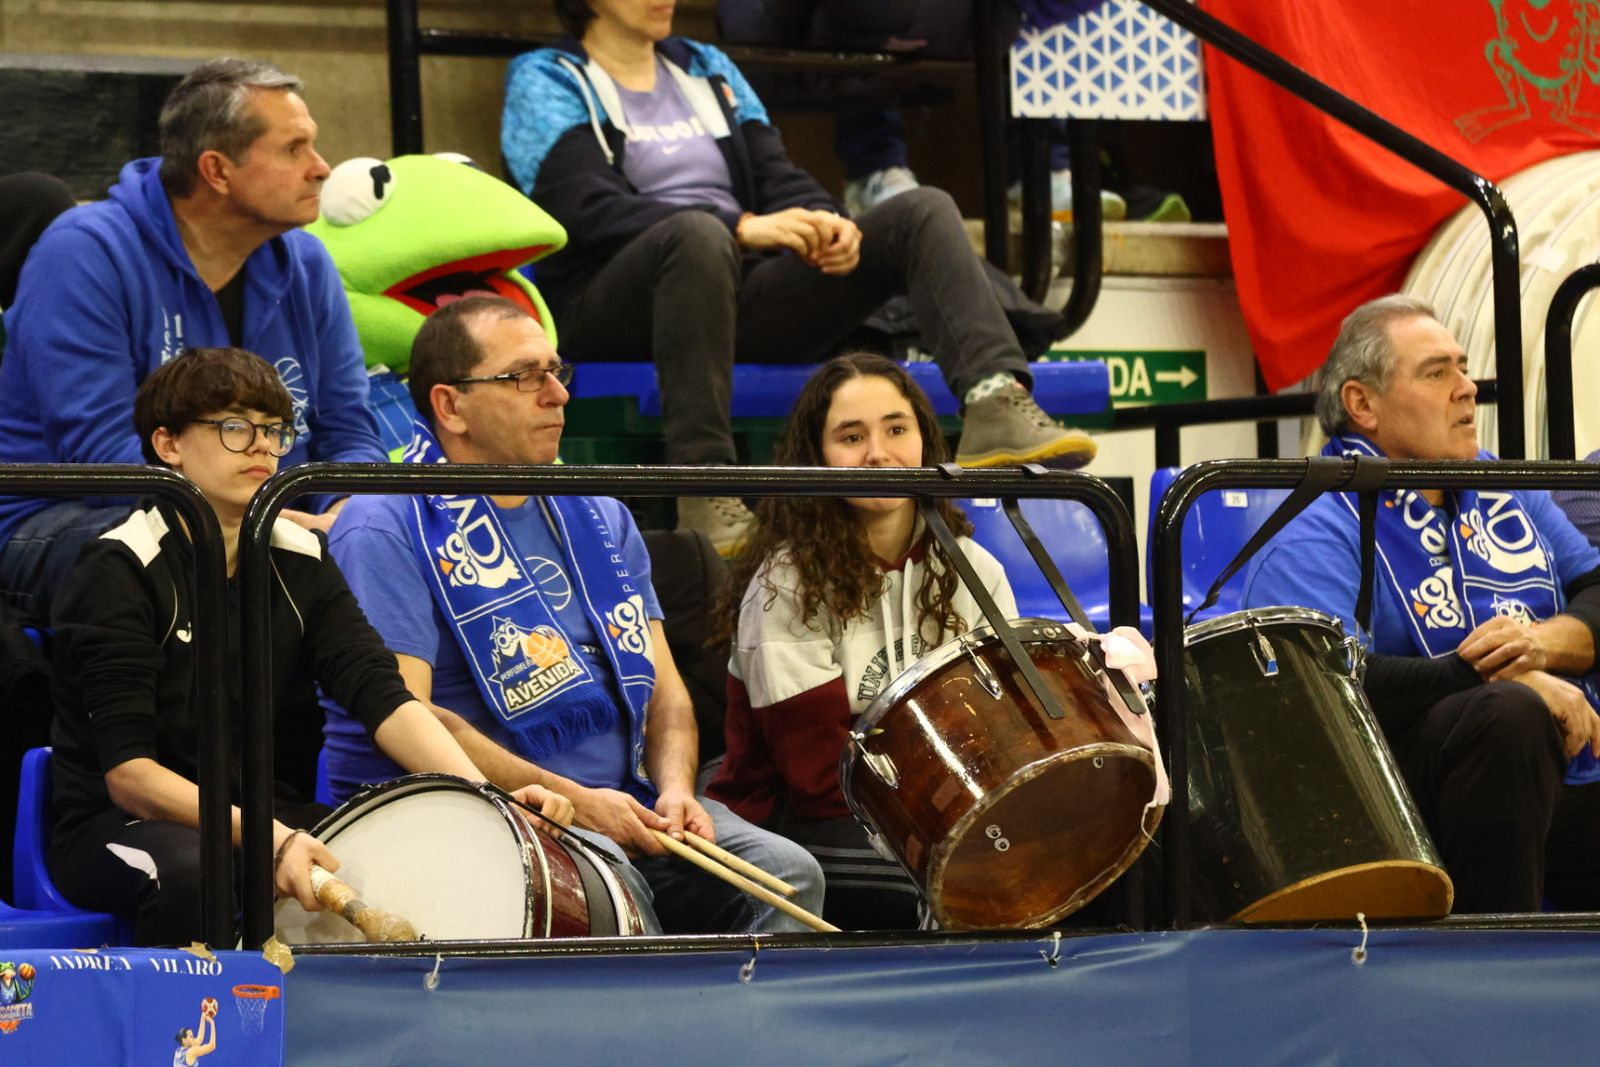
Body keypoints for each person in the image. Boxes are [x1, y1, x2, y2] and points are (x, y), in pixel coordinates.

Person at [502, 0, 1098, 555]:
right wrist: (742, 226)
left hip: (729, 288)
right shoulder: (548, 77)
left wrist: (827, 224)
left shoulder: (705, 66)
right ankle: (704, 485)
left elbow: (777, 173)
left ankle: (994, 400)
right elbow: (581, 209)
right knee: (696, 236)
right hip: (610, 299)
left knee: (922, 209)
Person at [320, 295, 825, 934]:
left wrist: (674, 789)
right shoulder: (385, 522)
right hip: (499, 812)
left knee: (793, 872)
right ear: (450, 406)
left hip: (638, 798)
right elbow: (408, 712)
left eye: (557, 372)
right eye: (524, 376)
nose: (556, 394)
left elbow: (666, 691)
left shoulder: (598, 511)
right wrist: (584, 807)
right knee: (612, 893)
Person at [45, 347, 576, 947]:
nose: (263, 449)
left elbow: (383, 696)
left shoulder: (300, 557)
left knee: (407, 864)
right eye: (234, 428)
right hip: (123, 825)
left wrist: (487, 800)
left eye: (274, 430)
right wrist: (275, 841)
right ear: (168, 445)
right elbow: (130, 776)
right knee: (201, 875)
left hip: (271, 811)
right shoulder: (118, 566)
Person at [1242, 294, 1600, 914]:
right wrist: (1492, 674)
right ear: (1362, 405)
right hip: (1406, 806)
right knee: (1507, 715)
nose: (1467, 390)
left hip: (1562, 773)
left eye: (1463, 369)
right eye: (1437, 374)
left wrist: (1538, 644)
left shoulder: (1503, 485)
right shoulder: (1315, 517)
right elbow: (1318, 683)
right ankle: (1491, 976)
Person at [0, 58, 388, 626]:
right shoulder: (84, 252)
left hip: (266, 514)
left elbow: (351, 429)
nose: (322, 168)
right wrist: (263, 523)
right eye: (293, 149)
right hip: (62, 517)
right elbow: (103, 456)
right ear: (217, 170)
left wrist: (353, 513)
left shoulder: (307, 262)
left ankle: (398, 715)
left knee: (386, 534)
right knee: (194, 548)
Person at [706, 353, 1015, 928]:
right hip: (794, 819)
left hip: (932, 807)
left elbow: (996, 735)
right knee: (960, 881)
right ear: (818, 457)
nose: (878, 453)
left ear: (924, 438)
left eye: (897, 429)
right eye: (852, 436)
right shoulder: (785, 584)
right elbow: (820, 782)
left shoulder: (973, 568)